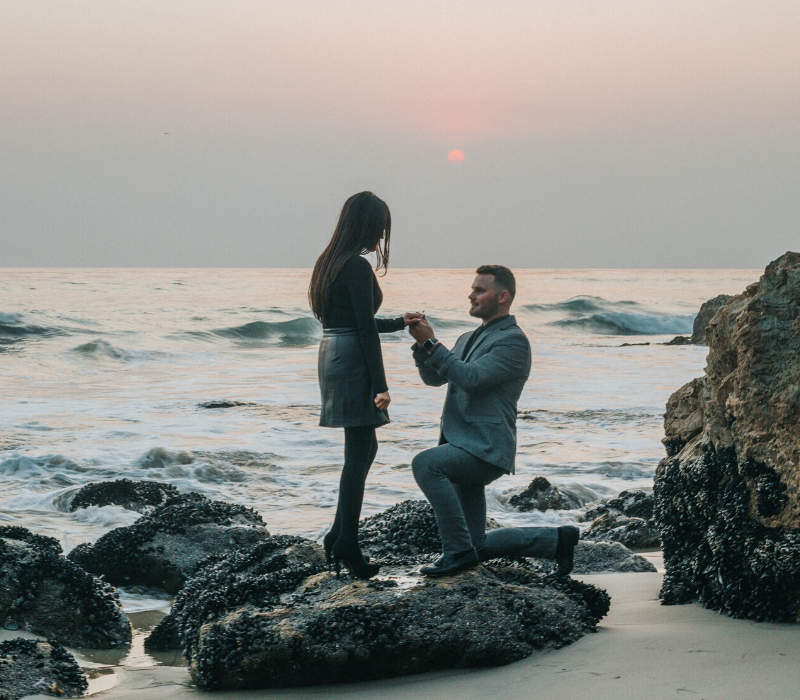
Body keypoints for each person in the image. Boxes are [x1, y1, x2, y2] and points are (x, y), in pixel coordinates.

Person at [408, 265, 579, 577]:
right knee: (476, 545)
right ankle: (557, 541)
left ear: (502, 297)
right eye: (472, 289)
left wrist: (433, 344)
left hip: (485, 448)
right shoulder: (467, 338)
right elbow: (434, 378)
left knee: (426, 464)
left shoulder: (513, 341)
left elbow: (471, 378)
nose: (471, 295)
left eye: (480, 290)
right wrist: (422, 346)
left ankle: (456, 553)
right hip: (462, 442)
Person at [309, 191, 421, 580]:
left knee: (363, 448)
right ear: (366, 226)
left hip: (333, 353)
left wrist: (399, 322)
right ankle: (347, 544)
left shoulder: (328, 262)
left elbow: (352, 320)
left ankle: (338, 534)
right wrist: (381, 386)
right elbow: (364, 332)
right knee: (359, 453)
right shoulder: (355, 266)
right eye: (380, 229)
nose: (381, 238)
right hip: (352, 359)